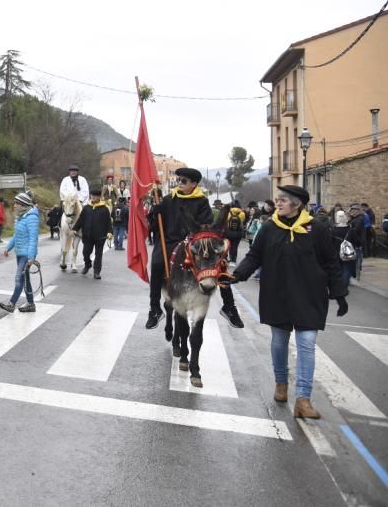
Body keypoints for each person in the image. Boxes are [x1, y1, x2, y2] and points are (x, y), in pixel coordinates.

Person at [229, 185, 348, 419]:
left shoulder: (318, 229)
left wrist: (340, 294)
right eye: (278, 200)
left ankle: (303, 399)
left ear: (297, 204)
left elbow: (331, 262)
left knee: (307, 343)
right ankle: (281, 384)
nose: (278, 203)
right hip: (278, 293)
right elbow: (254, 255)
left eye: (283, 200)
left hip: (310, 295)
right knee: (279, 341)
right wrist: (237, 275)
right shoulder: (269, 227)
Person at [145, 167, 245, 330]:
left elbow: (205, 225)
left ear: (194, 184)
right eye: (178, 180)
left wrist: (194, 237)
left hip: (194, 242)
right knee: (156, 265)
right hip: (170, 242)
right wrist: (154, 214)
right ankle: (154, 309)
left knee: (220, 265)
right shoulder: (169, 199)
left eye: (183, 181)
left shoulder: (202, 201)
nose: (180, 183)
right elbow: (156, 225)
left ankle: (229, 307)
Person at [0, 191, 41, 313]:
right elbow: (16, 235)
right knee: (25, 279)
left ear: (23, 205)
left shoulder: (32, 218)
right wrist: (8, 247)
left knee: (19, 279)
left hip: (26, 255)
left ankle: (12, 303)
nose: (14, 206)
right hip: (19, 253)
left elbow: (33, 239)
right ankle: (31, 304)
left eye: (17, 203)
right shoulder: (20, 217)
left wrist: (31, 257)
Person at [74, 189, 112, 279]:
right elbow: (81, 220)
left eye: (95, 196)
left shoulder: (105, 209)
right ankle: (87, 265)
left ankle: (97, 272)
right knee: (85, 253)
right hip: (87, 236)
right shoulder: (86, 208)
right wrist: (75, 228)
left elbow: (108, 222)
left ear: (99, 197)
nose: (93, 197)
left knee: (98, 255)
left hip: (100, 236)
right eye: (92, 196)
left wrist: (110, 232)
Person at [330, 210, 359, 286]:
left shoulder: (333, 230)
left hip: (336, 252)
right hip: (347, 252)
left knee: (339, 269)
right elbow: (356, 241)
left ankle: (340, 284)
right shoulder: (350, 230)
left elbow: (330, 242)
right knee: (346, 268)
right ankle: (344, 285)